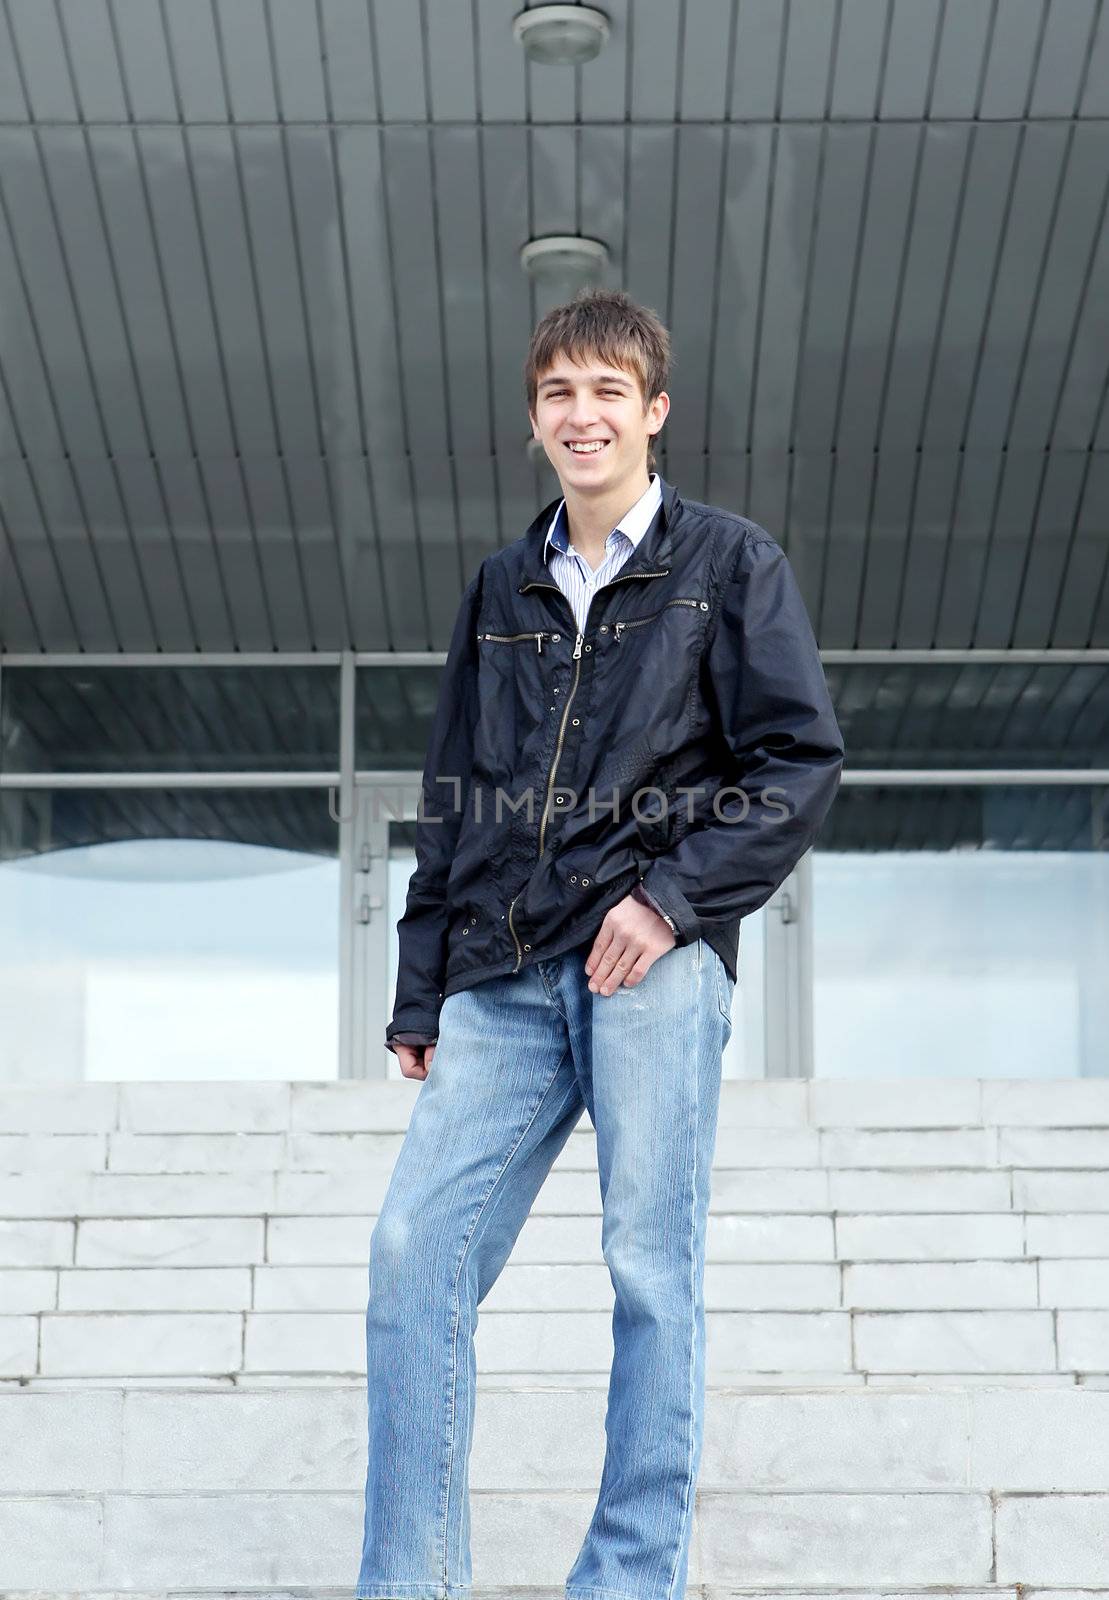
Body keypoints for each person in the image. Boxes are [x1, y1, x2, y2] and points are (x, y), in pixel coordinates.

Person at [355, 288, 843, 1600]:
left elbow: (795, 760)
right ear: (535, 419)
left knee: (647, 1268)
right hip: (501, 978)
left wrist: (671, 902)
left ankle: (627, 1585)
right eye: (559, 393)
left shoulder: (727, 566)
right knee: (413, 1254)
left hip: (646, 966)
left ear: (654, 413)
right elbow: (452, 783)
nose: (583, 415)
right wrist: (419, 988)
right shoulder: (501, 587)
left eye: (607, 393)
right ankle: (407, 1583)